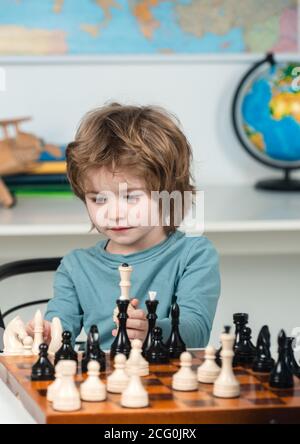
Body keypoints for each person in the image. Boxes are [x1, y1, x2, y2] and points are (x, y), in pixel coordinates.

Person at [26, 102, 221, 350]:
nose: (114, 214)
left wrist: (152, 328)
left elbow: (196, 331)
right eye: (98, 199)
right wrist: (45, 334)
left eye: (130, 197)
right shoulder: (76, 267)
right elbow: (60, 327)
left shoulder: (194, 255)